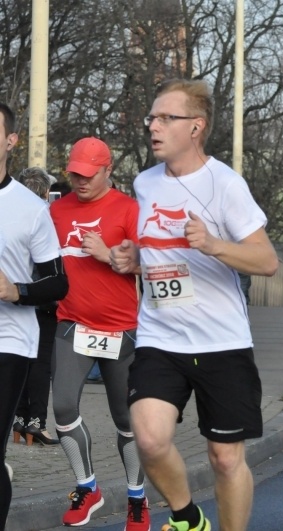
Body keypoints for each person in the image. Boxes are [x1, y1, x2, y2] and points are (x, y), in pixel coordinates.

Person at [110, 78, 279, 531]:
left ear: (195, 128)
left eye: (166, 118)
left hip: (221, 341)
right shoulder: (144, 183)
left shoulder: (225, 184)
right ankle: (188, 518)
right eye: (152, 118)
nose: (154, 126)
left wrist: (213, 244)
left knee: (225, 458)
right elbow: (153, 250)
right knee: (148, 438)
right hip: (160, 337)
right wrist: (132, 257)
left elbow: (266, 261)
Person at [47, 137, 150, 529]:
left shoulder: (129, 209)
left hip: (121, 329)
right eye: (74, 173)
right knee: (62, 410)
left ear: (108, 171)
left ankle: (136, 498)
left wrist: (108, 255)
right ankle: (87, 486)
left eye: (88, 175)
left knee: (126, 420)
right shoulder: (57, 210)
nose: (80, 181)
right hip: (71, 323)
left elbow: (154, 265)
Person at [0, 102, 69, 528]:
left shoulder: (30, 208)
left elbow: (57, 284)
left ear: (10, 141)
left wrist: (16, 290)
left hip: (8, 340)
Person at [12, 168, 60, 446]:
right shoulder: (44, 215)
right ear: (44, 192)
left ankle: (18, 417)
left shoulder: (12, 213)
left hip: (15, 295)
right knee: (41, 363)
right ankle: (36, 422)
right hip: (42, 296)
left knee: (20, 359)